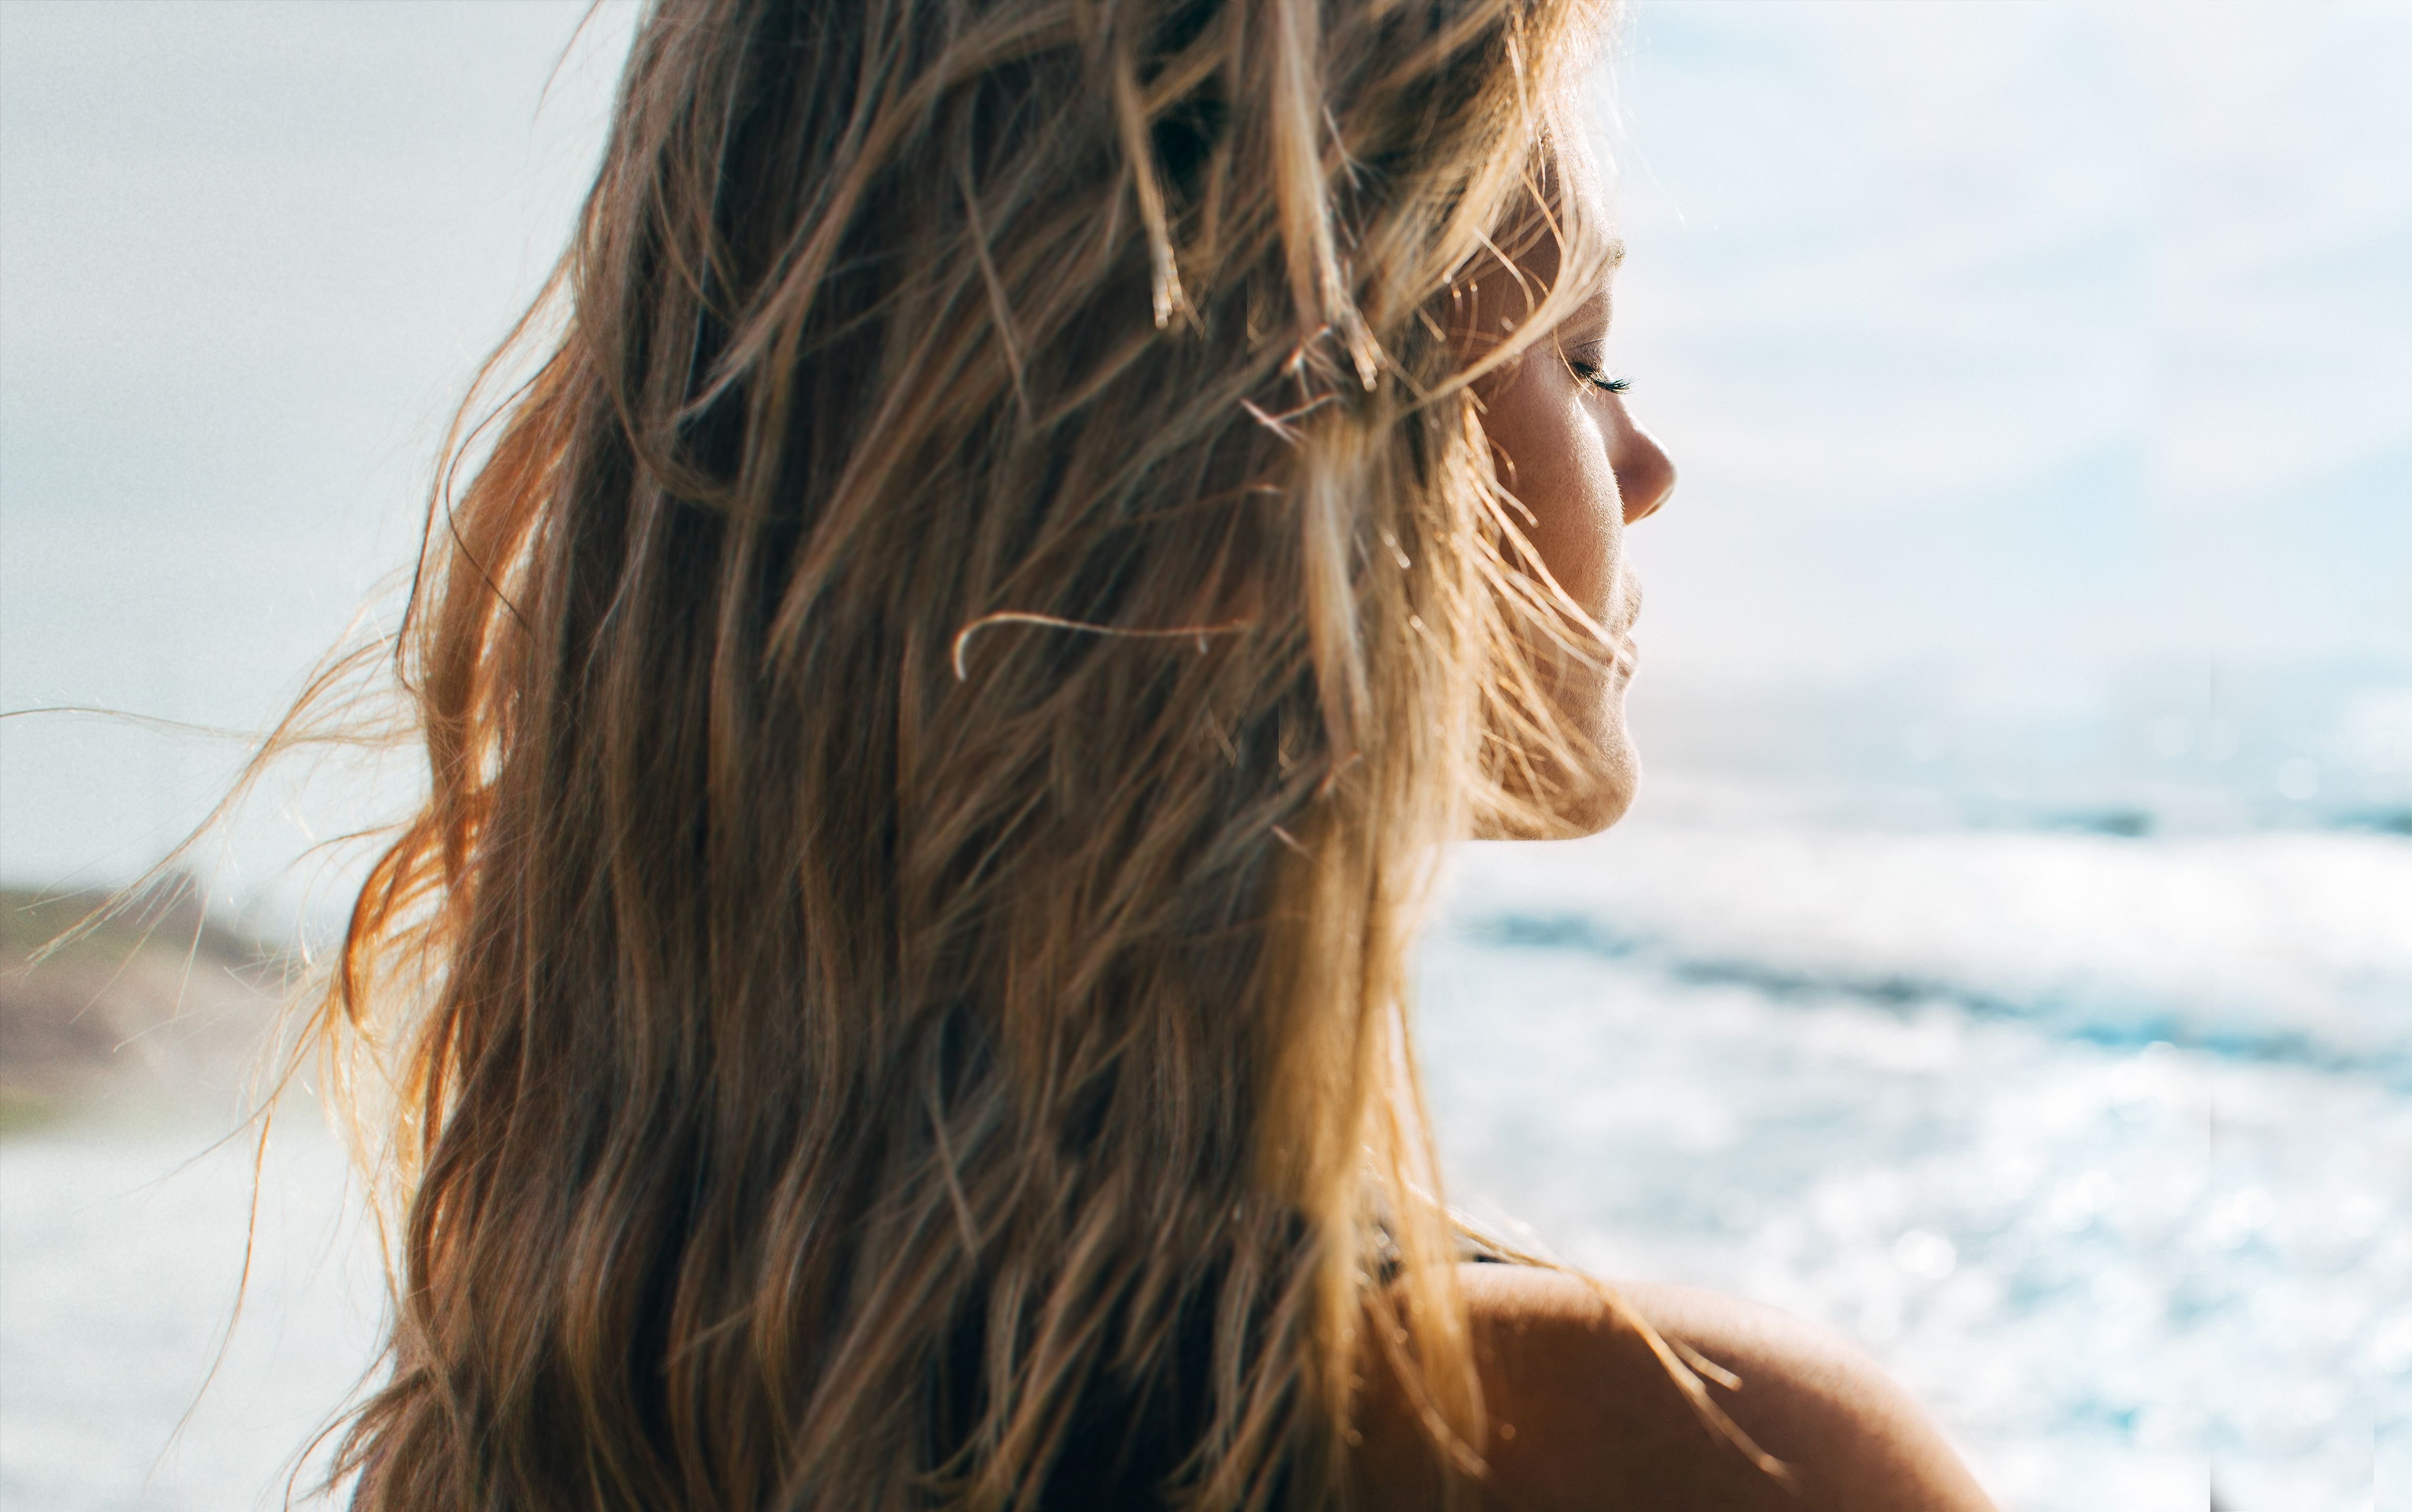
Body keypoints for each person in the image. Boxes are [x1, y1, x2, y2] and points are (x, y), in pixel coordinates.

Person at [289, 0, 1998, 1506]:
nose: (1646, 471)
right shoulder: (1638, 1453)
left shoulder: (529, 1409)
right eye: (1582, 357)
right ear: (1282, 445)